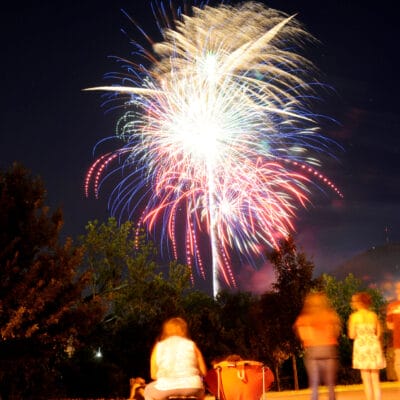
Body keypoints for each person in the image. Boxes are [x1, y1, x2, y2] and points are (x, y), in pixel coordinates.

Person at [143, 317, 207, 400]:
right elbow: (204, 372)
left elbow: (154, 375)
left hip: (166, 389)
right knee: (201, 390)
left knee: (148, 390)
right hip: (193, 388)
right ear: (184, 330)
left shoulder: (158, 347)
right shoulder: (192, 345)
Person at [293, 292, 341, 400]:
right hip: (328, 351)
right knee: (330, 385)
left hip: (313, 352)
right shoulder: (330, 315)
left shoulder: (304, 318)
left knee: (314, 385)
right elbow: (335, 332)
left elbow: (304, 336)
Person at [348, 292, 385, 400]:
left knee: (366, 380)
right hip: (374, 346)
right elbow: (379, 333)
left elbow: (351, 335)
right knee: (375, 380)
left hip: (361, 347)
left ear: (359, 303)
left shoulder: (354, 317)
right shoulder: (373, 315)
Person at [386, 281, 400, 381]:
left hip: (398, 339)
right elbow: (389, 325)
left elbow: (390, 326)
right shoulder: (392, 306)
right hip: (397, 340)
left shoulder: (392, 306)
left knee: (399, 364)